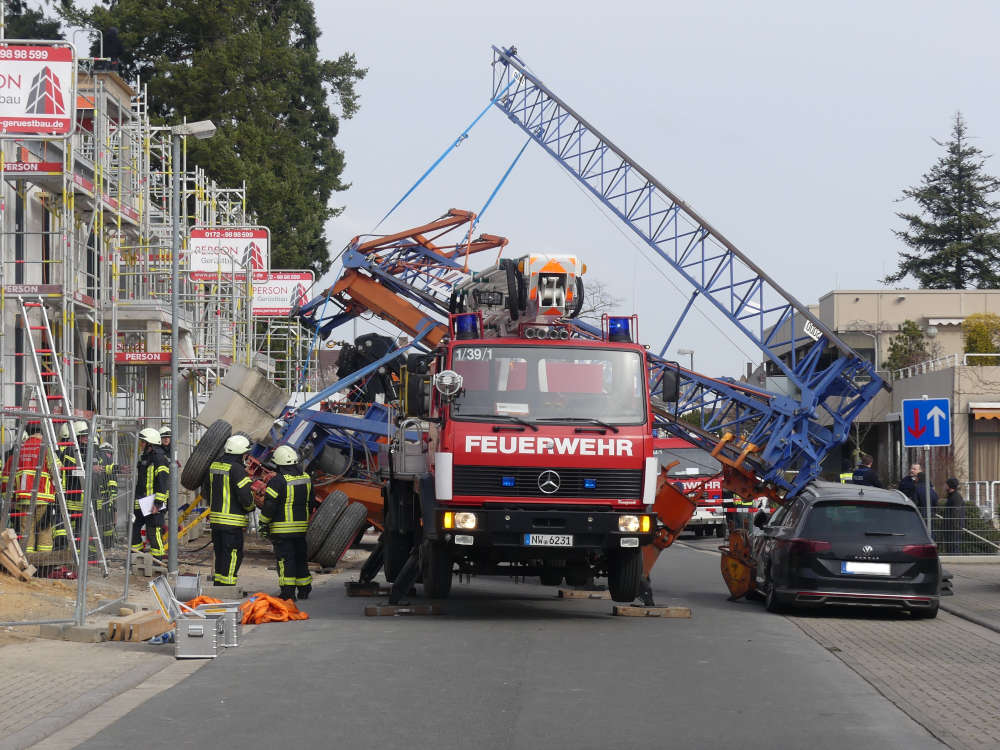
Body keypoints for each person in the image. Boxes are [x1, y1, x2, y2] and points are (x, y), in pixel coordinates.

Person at [259, 444, 314, 601]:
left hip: (281, 531)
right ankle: (304, 589)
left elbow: (269, 506)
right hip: (301, 528)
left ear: (279, 463)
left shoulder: (277, 481)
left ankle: (288, 593)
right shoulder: (306, 479)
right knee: (300, 559)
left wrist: (263, 523)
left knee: (285, 560)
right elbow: (311, 503)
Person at [202, 434, 254, 586]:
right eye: (245, 454)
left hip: (216, 520)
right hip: (232, 521)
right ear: (240, 453)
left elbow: (206, 491)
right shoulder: (237, 469)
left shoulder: (214, 466)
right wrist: (250, 507)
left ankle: (219, 583)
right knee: (232, 553)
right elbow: (245, 496)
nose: (246, 457)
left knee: (220, 553)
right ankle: (228, 585)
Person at [8, 426, 56, 553]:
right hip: (43, 496)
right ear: (41, 432)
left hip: (23, 496)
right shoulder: (45, 447)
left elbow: (12, 472)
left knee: (26, 530)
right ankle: (44, 562)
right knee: (44, 528)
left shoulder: (21, 449)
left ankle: (27, 559)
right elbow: (56, 468)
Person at [132, 427, 169, 559]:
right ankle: (137, 556)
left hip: (153, 503)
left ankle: (157, 560)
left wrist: (158, 504)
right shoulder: (146, 458)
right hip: (143, 502)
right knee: (134, 528)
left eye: (142, 442)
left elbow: (162, 483)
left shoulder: (159, 459)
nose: (140, 444)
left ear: (150, 444)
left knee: (153, 532)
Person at [944, 477, 965, 554]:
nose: (944, 486)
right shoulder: (950, 496)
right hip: (950, 527)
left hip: (954, 528)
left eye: (946, 484)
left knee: (954, 547)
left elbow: (956, 513)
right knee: (949, 547)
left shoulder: (956, 497)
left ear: (950, 486)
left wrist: (955, 526)